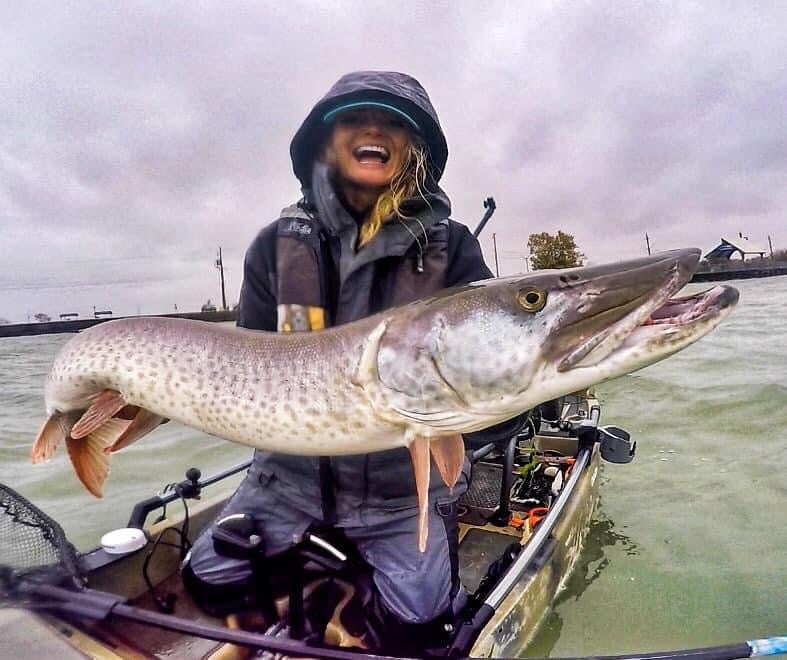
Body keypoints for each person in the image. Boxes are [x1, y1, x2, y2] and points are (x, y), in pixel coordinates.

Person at [182, 70, 522, 652]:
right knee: (205, 582)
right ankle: (321, 567)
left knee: (419, 626)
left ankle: (349, 582)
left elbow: (496, 363)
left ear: (414, 148)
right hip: (286, 481)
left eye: (394, 122)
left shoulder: (453, 247)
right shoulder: (273, 247)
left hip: (400, 490)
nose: (374, 130)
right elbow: (243, 365)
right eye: (354, 119)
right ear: (323, 142)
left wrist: (500, 402)